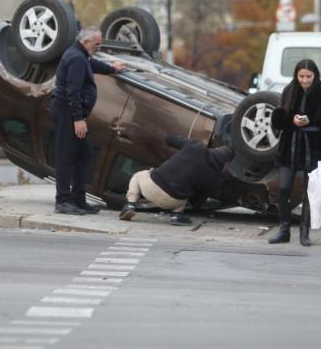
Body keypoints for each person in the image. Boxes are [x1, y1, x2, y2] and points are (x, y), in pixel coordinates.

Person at [50, 27, 125, 215]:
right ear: (86, 42)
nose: (99, 47)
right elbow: (72, 91)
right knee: (66, 156)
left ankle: (78, 199)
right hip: (68, 112)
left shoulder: (81, 55)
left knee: (84, 154)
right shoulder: (76, 58)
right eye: (97, 44)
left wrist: (112, 68)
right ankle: (63, 201)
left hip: (72, 113)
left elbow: (93, 64)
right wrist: (78, 118)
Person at [268, 59, 321, 246]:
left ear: (315, 76)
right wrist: (292, 120)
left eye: (308, 76)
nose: (305, 80)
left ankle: (304, 233)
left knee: (308, 191)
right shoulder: (289, 91)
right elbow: (278, 120)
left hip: (312, 147)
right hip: (290, 144)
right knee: (283, 188)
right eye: (301, 76)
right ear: (296, 76)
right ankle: (284, 230)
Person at [119, 135, 234, 226]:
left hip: (151, 188)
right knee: (185, 193)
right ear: (225, 163)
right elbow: (197, 204)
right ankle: (176, 216)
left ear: (216, 149)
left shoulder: (195, 146)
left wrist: (185, 144)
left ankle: (130, 204)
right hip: (172, 202)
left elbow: (169, 138)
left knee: (137, 176)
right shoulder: (213, 177)